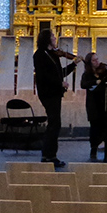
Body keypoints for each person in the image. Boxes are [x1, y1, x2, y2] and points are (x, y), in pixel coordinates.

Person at [32, 29, 77, 167]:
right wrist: (60, 83)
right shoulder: (39, 55)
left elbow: (59, 73)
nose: (54, 38)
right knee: (54, 123)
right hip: (48, 93)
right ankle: (49, 155)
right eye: (52, 36)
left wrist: (74, 64)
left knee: (55, 123)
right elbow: (43, 76)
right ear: (46, 39)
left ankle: (49, 154)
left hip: (55, 92)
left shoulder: (53, 54)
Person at [79, 52, 107, 162]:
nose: (97, 62)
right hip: (93, 105)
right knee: (95, 128)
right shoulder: (87, 74)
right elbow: (83, 84)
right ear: (89, 63)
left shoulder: (104, 71)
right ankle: (93, 148)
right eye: (94, 60)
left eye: (97, 59)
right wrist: (96, 81)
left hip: (105, 103)